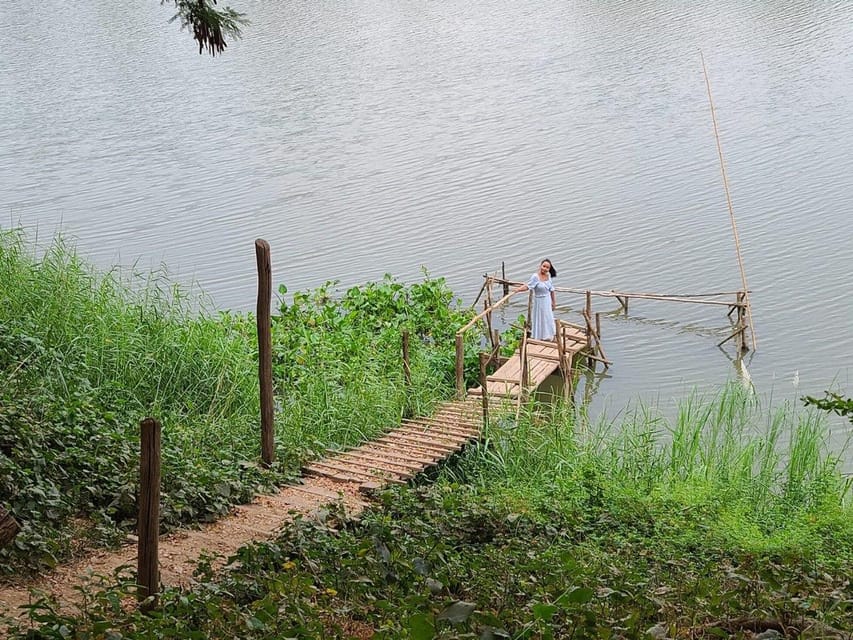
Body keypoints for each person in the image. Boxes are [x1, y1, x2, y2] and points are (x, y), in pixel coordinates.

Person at [516, 259, 557, 341]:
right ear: (540, 266)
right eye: (544, 266)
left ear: (549, 269)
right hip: (539, 301)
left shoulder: (548, 276)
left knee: (548, 317)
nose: (545, 269)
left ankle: (549, 335)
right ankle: (540, 336)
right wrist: (518, 290)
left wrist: (553, 302)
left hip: (547, 300)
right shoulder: (535, 277)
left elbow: (552, 290)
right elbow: (528, 286)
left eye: (547, 267)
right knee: (540, 318)